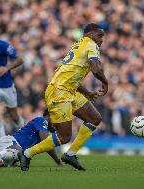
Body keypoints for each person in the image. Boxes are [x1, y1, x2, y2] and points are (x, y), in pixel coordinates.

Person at [20, 23, 108, 171]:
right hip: (59, 92)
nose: (102, 39)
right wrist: (105, 82)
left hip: (68, 90)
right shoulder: (91, 45)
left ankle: (71, 154)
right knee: (64, 136)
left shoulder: (78, 45)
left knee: (94, 118)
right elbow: (96, 68)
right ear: (90, 34)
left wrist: (86, 93)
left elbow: (70, 76)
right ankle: (28, 153)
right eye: (100, 35)